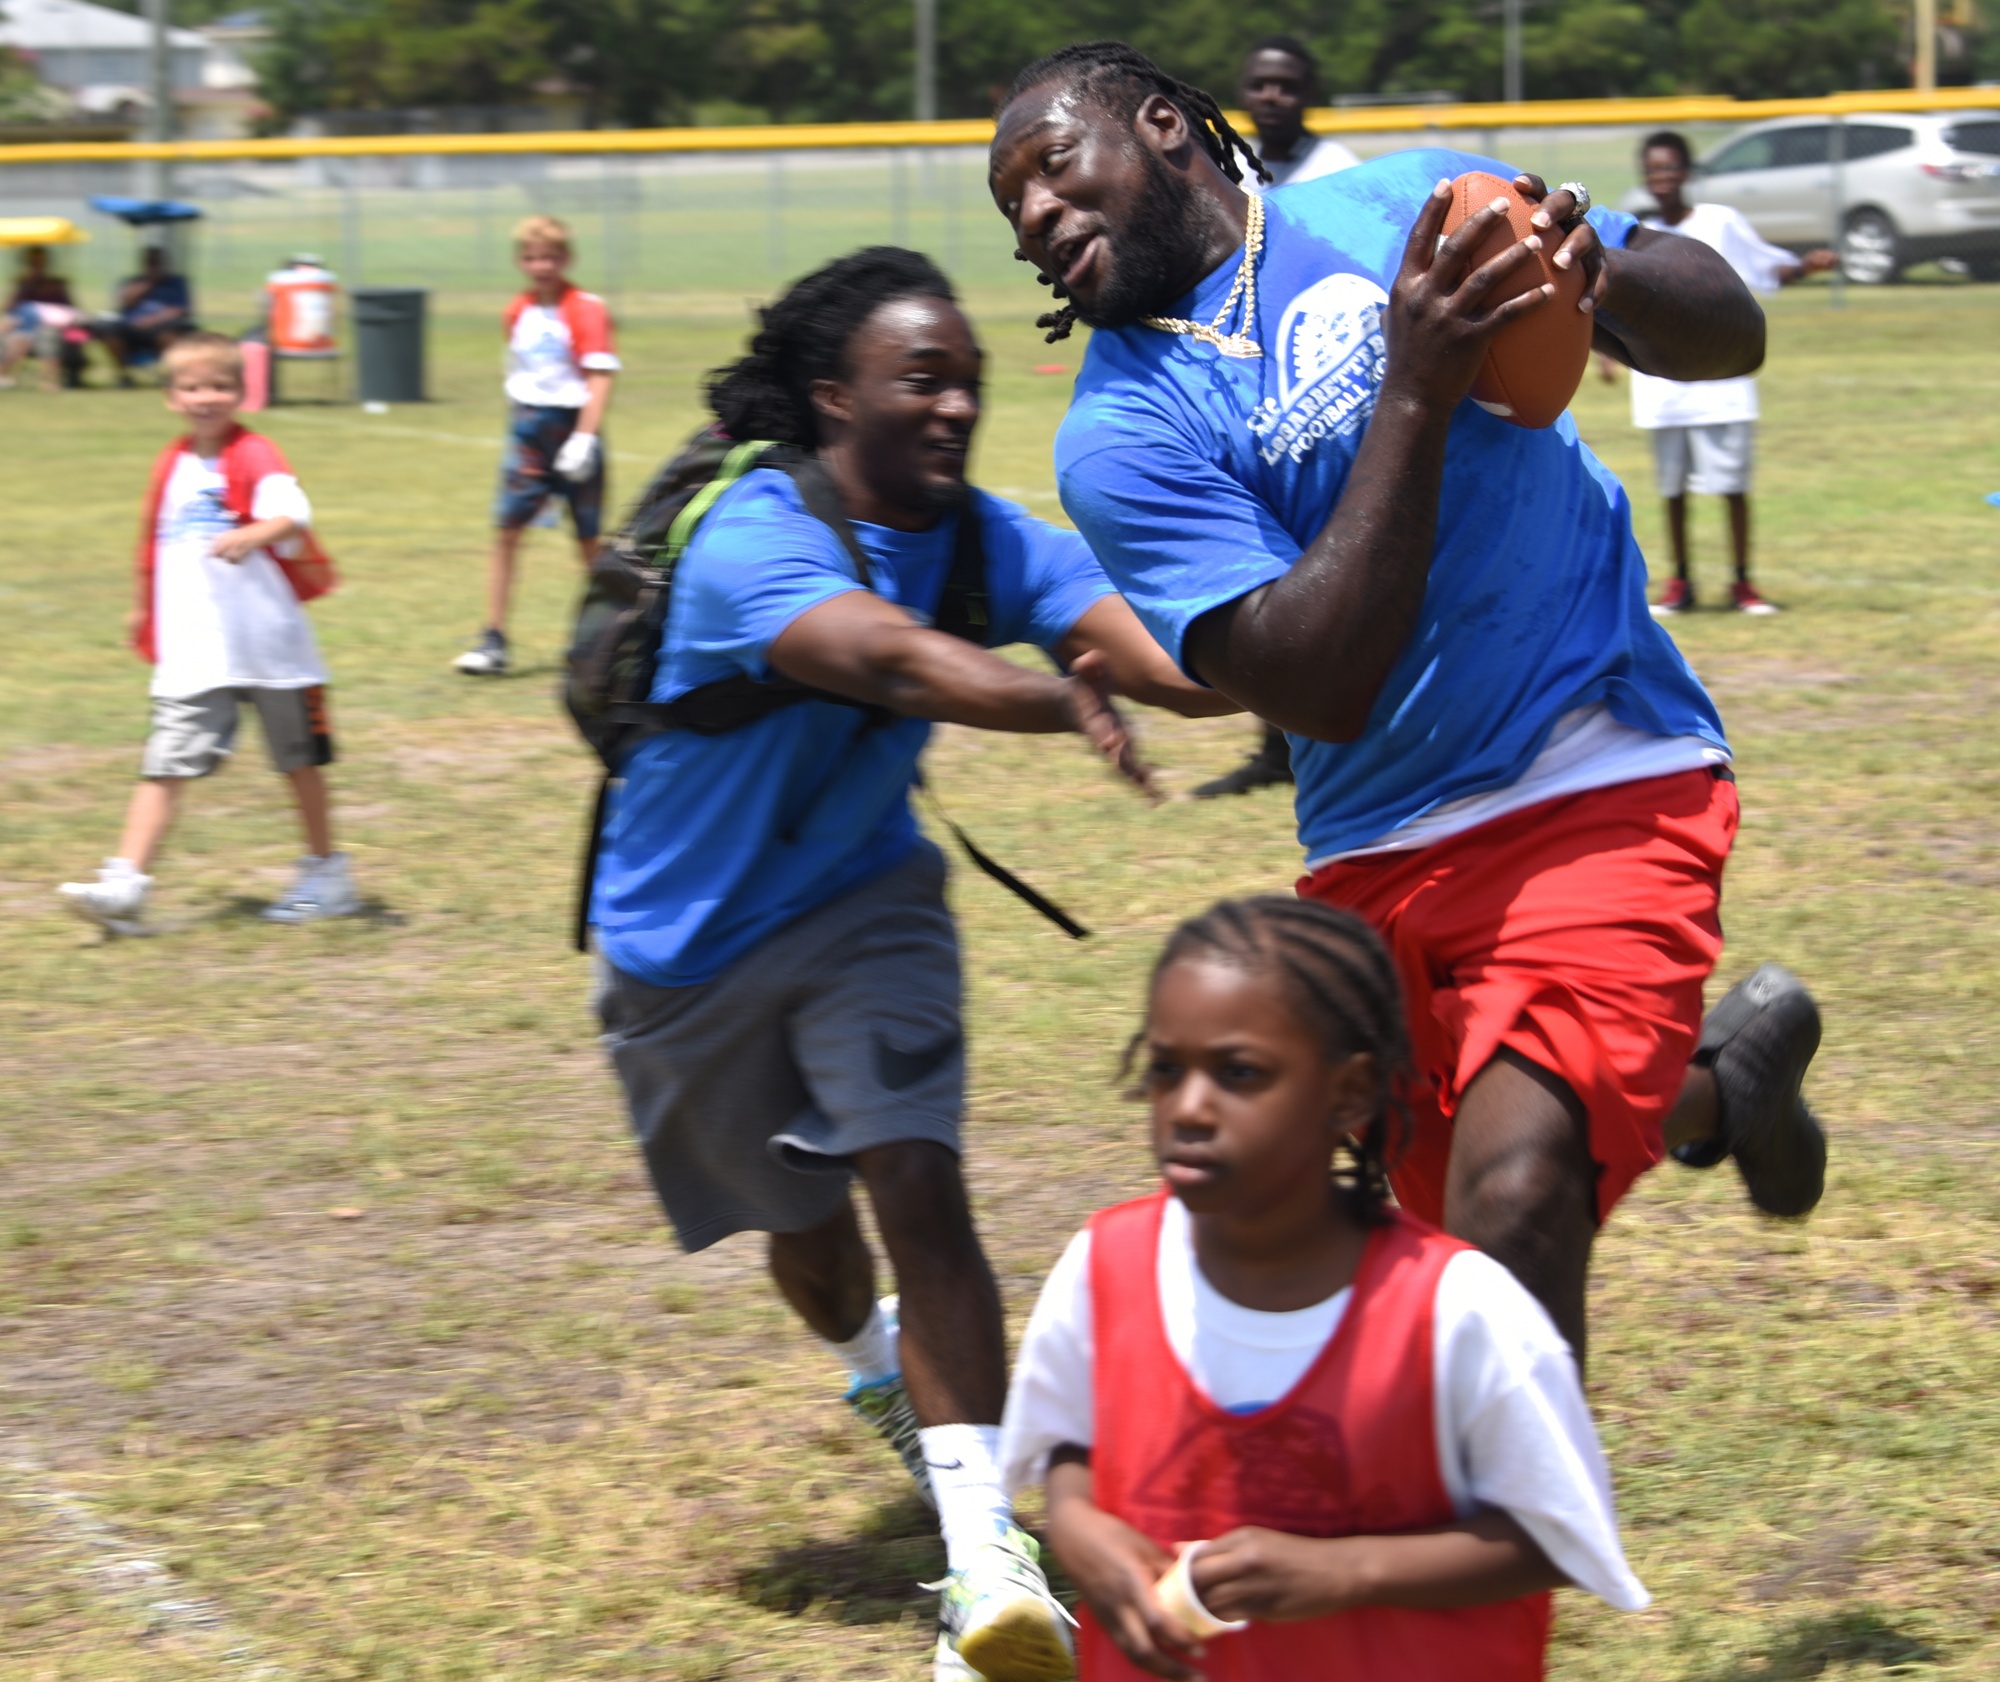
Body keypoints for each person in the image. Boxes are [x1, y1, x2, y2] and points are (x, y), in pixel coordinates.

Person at [989, 43, 1827, 1369]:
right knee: (1456, 1198)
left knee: (1513, 1205)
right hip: (1377, 848)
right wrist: (1415, 389)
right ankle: (1725, 1091)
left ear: (1161, 127)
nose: (1033, 213)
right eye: (1011, 208)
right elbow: (1316, 684)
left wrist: (1593, 276)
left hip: (1596, 760)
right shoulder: (1117, 437)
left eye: (1050, 167)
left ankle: (1488, 1566)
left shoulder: (1408, 208)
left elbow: (1728, 323)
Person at [589, 247, 1235, 1682]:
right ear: (835, 398)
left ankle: (985, 1559)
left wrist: (1282, 661)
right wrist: (1056, 705)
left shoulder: (979, 535)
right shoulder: (753, 531)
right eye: (920, 381)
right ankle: (880, 1367)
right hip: (681, 946)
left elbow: (1145, 642)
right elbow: (884, 660)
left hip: (869, 904)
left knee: (918, 1176)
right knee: (806, 1240)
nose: (953, 407)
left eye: (970, 384)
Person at [1000, 896, 1649, 1679]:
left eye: (1239, 1074)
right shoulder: (1104, 1269)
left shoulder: (1455, 1310)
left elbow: (1558, 1537)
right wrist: (1080, 1531)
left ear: (1348, 1095)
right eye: (1166, 1069)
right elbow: (1071, 1447)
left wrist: (1345, 1572)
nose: (1190, 1108)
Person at [57, 332, 360, 934]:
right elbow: (162, 548)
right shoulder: (173, 462)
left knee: (300, 765)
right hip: (198, 649)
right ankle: (126, 884)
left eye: (219, 385)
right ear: (171, 396)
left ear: (240, 392)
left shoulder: (253, 453)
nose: (206, 397)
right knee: (165, 762)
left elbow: (292, 512)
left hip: (273, 649)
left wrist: (254, 534)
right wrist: (145, 610)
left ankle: (328, 877)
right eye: (192, 387)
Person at [1189, 35, 1360, 800]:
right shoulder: (1227, 173)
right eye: (1259, 84)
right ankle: (1275, 748)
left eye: (1286, 86)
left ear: (1307, 93)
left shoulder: (1340, 171)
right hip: (1250, 381)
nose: (1271, 97)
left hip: (1330, 377)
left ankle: (1351, 728)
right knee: (1266, 559)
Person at [1630, 131, 1836, 617]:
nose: (1662, 178)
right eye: (1654, 169)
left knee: (1732, 485)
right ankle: (1681, 581)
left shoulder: (1719, 223)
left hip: (1722, 378)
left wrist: (1805, 267)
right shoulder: (1637, 233)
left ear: (1687, 172)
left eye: (1670, 168)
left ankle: (1743, 582)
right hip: (1663, 382)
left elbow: (1764, 267)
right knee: (1672, 489)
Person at [454, 214, 618, 675]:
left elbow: (599, 376)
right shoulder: (516, 310)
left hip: (572, 429)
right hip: (528, 430)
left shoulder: (586, 307)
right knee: (506, 531)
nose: (541, 265)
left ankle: (615, 637)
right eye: (531, 257)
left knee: (587, 540)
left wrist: (584, 437)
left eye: (550, 257)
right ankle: (493, 638)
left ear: (566, 259)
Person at [101, 245, 195, 381]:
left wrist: (151, 320)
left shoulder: (176, 282)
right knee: (109, 331)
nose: (153, 265)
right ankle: (123, 374)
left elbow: (180, 309)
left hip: (163, 326)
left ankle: (171, 373)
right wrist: (149, 282)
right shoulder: (134, 282)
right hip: (132, 327)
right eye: (150, 262)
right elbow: (125, 302)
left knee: (171, 335)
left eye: (156, 261)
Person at [1, 245, 81, 391]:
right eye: (33, 262)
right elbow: (9, 308)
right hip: (24, 328)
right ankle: (4, 374)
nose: (37, 266)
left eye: (40, 262)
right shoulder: (23, 283)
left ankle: (48, 380)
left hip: (53, 328)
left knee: (46, 333)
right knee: (17, 329)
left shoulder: (57, 284)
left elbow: (70, 309)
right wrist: (25, 287)